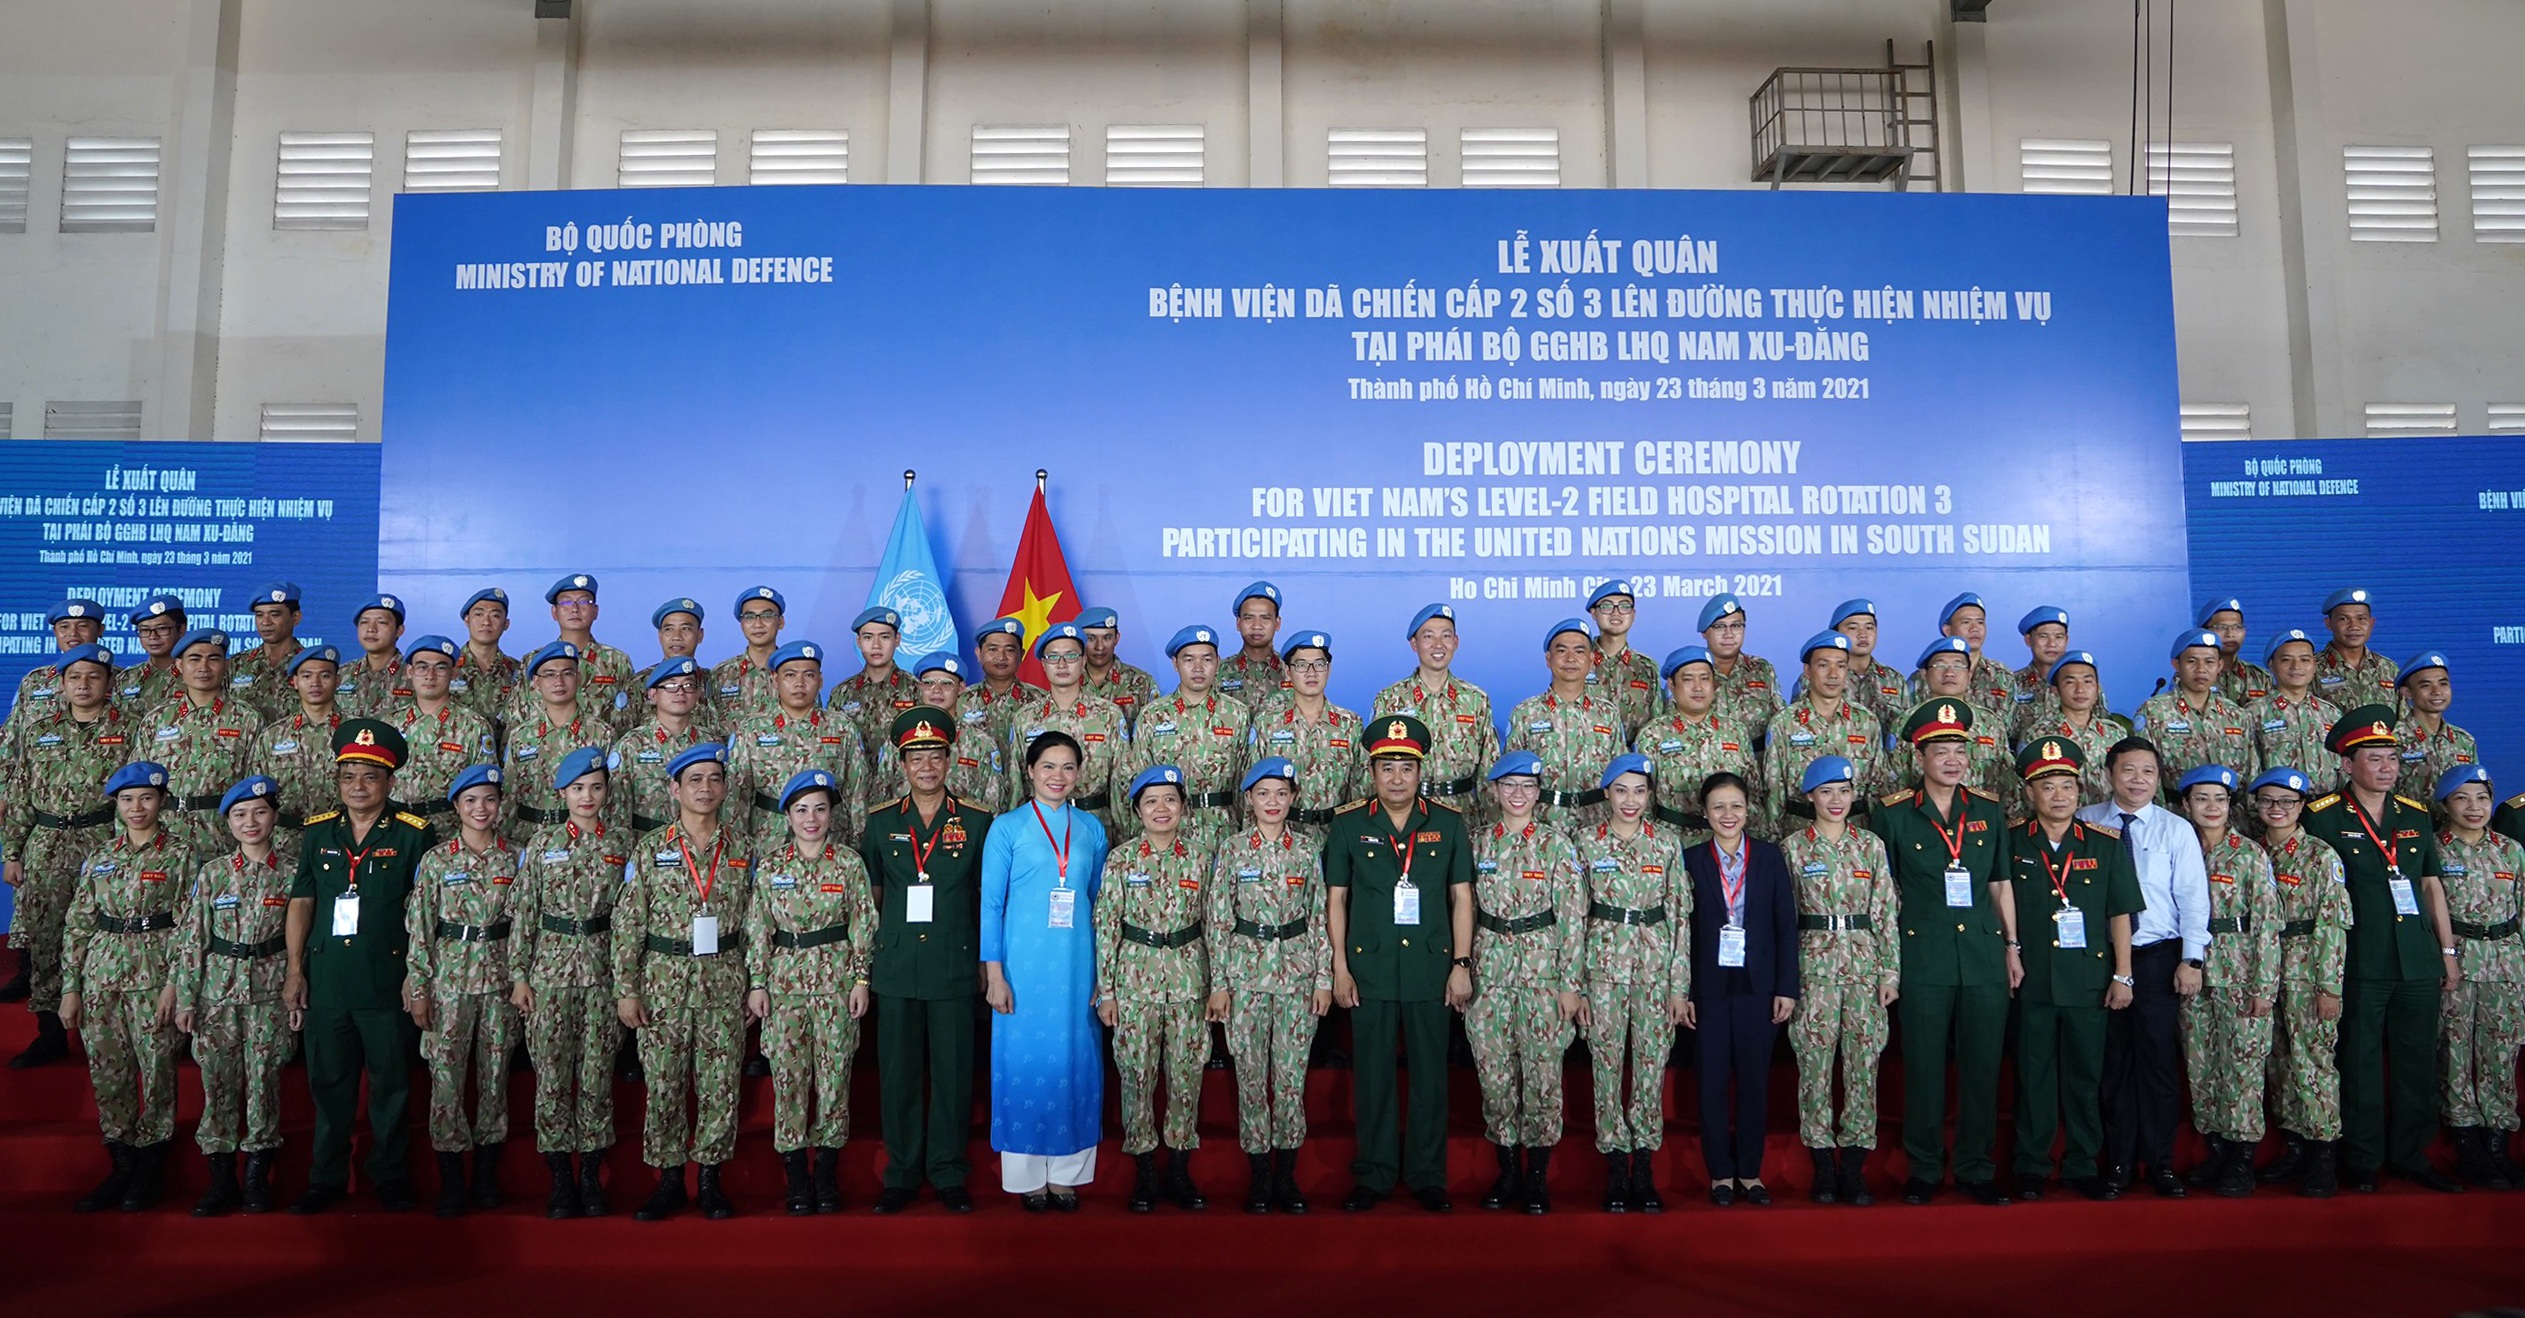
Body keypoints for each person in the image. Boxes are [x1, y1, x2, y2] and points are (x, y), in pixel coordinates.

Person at [283, 720, 440, 1214]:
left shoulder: (416, 834)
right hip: (328, 978)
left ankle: (390, 1174)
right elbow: (302, 901)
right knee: (330, 1086)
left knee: (391, 1086)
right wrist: (294, 968)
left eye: (370, 777)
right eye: (348, 776)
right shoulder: (317, 833)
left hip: (385, 979)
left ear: (390, 782)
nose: (358, 786)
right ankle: (326, 1178)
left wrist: (419, 977)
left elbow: (426, 911)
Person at [1869, 700, 2022, 1206]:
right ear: (1920, 756)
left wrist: (2012, 947)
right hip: (1923, 952)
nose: (1953, 760)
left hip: (1981, 953)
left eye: (1960, 749)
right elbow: (1882, 894)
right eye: (1941, 751)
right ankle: (1925, 1166)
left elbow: (2001, 883)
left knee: (1982, 1067)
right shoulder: (1891, 814)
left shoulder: (1988, 809)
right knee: (1924, 1067)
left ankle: (1977, 1167)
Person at [2305, 704, 2460, 1193]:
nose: (2388, 767)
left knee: (2416, 1060)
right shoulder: (2322, 817)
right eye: (2375, 758)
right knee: (2359, 1061)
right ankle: (2364, 1158)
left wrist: (2447, 952)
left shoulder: (2414, 815)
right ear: (2348, 765)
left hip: (2416, 956)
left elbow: (2431, 885)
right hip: (2359, 957)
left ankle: (2411, 1155)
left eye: (2392, 757)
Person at [1325, 714, 1475, 1213]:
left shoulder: (1448, 823)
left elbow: (1462, 897)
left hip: (1432, 967)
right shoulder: (1348, 825)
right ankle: (1374, 1172)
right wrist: (1341, 969)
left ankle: (1428, 1174)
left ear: (1419, 772)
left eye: (1405, 768)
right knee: (1373, 1076)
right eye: (1386, 767)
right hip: (1369, 967)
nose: (1396, 778)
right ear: (1372, 772)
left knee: (1431, 1075)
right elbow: (1336, 901)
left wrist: (1461, 963)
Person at [862, 706, 993, 1215]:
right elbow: (872, 898)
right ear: (901, 762)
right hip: (895, 966)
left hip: (953, 962)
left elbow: (986, 898)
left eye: (935, 754)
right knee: (898, 1074)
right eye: (915, 756)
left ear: (949, 758)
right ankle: (901, 1172)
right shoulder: (879, 823)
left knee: (954, 1073)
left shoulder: (979, 821)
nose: (926, 766)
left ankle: (947, 1170)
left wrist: (986, 961)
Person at [613, 743, 753, 1221]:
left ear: (726, 787)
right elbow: (629, 923)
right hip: (663, 984)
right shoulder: (650, 848)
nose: (705, 788)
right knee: (664, 1083)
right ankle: (669, 1179)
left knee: (720, 1086)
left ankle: (711, 1180)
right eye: (694, 780)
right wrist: (627, 989)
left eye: (715, 779)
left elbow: (757, 924)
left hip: (724, 980)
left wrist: (757, 984)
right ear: (674, 788)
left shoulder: (743, 850)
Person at [981, 730, 1112, 1211]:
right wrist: (994, 974)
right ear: (1030, 771)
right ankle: (1026, 1176)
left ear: (1079, 774)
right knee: (1023, 1064)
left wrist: (1106, 973)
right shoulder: (1007, 828)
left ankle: (1067, 1174)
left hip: (1077, 965)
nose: (1058, 776)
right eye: (1049, 767)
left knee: (1075, 1061)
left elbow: (1101, 905)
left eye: (1068, 767)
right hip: (1021, 966)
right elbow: (990, 905)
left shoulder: (1093, 830)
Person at [2075, 737, 2211, 1198]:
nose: (2138, 780)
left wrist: (2191, 959)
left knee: (2156, 1065)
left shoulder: (2175, 829)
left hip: (2156, 957)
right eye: (2129, 770)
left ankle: (2159, 1163)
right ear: (2109, 773)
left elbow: (2194, 899)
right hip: (2099, 959)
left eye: (2148, 772)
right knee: (2112, 1065)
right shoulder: (2085, 821)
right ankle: (2115, 1162)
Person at [2006, 738, 2141, 1202]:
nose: (2059, 795)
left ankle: (2083, 1163)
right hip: (2033, 979)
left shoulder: (2104, 843)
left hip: (2088, 980)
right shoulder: (2012, 841)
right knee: (2033, 1077)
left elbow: (2120, 912)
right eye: (2048, 786)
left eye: (2067, 785)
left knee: (2085, 1078)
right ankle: (2031, 1164)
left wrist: (2123, 975)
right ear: (2029, 793)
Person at [744, 767, 877, 1216]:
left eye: (820, 808)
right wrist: (757, 983)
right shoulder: (773, 866)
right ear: (787, 815)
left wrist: (861, 980)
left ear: (831, 814)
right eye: (801, 809)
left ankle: (826, 1171)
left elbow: (863, 925)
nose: (812, 818)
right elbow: (758, 928)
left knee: (834, 1077)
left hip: (837, 983)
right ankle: (796, 1173)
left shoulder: (848, 863)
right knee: (789, 1079)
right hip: (784, 986)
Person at [61, 761, 192, 1212]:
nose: (137, 808)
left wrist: (176, 984)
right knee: (108, 1072)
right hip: (102, 975)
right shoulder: (100, 857)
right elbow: (78, 925)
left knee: (157, 1070)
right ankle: (120, 1164)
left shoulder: (181, 854)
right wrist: (70, 989)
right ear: (116, 805)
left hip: (154, 975)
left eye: (146, 798)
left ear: (162, 802)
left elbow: (190, 927)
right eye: (127, 800)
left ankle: (150, 1166)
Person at [1460, 752, 1582, 1214]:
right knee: (1495, 1077)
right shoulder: (1477, 844)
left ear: (1538, 793)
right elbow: (1463, 909)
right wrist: (1463, 968)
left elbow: (1572, 918)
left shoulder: (1556, 846)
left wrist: (1571, 983)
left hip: (1543, 973)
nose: (1517, 794)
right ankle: (1507, 1168)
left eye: (1527, 786)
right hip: (1490, 972)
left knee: (1543, 1077)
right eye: (1508, 786)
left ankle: (1536, 1176)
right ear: (1493, 791)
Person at [1208, 756, 1330, 1213]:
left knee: (1291, 1078)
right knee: (1252, 1077)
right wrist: (1219, 983)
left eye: (1281, 793)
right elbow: (1218, 919)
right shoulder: (1234, 849)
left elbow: (1319, 917)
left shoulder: (1307, 849)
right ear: (1249, 800)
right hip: (1245, 977)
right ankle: (1259, 1174)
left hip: (1298, 974)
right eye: (1263, 794)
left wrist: (1323, 978)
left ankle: (1287, 1176)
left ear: (1294, 798)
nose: (1272, 802)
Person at [1, 640, 130, 1067]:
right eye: (74, 677)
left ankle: (108, 1034)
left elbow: (141, 798)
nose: (84, 684)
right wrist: (12, 851)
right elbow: (20, 796)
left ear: (109, 682)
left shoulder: (130, 730)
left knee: (107, 938)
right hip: (46, 844)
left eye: (94, 676)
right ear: (61, 684)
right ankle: (50, 1034)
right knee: (45, 940)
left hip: (104, 843)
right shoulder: (40, 732)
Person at [406, 763, 523, 1218]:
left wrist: (521, 980)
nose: (481, 809)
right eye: (471, 800)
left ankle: (487, 1174)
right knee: (447, 1082)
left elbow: (524, 924)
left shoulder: (517, 856)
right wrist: (419, 986)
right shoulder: (437, 860)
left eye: (490, 800)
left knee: (495, 1078)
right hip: (448, 983)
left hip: (499, 983)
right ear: (455, 806)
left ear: (501, 806)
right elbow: (419, 928)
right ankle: (452, 1179)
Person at [511, 745, 624, 1219]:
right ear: (562, 792)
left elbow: (630, 917)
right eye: (578, 788)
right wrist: (518, 975)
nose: (588, 796)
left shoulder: (622, 845)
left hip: (602, 970)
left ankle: (591, 1175)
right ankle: (560, 1178)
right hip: (550, 973)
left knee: (597, 1075)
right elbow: (524, 913)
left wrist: (627, 981)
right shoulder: (541, 844)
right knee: (553, 1076)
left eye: (596, 787)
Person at [173, 776, 293, 1215]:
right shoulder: (212, 873)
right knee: (218, 1084)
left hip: (270, 994)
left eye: (260, 812)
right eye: (240, 814)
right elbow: (193, 939)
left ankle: (258, 1178)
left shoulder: (293, 873)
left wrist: (297, 997)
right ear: (227, 823)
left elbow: (301, 943)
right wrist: (187, 997)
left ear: (275, 817)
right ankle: (220, 1180)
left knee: (264, 1084)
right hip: (217, 995)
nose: (251, 821)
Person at [1781, 755, 1897, 1207]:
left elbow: (1886, 911)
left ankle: (1853, 1165)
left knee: (1862, 1066)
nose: (1836, 800)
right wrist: (1786, 981)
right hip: (1813, 969)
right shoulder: (1793, 848)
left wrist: (1890, 973)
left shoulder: (1870, 846)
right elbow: (1783, 919)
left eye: (1844, 792)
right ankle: (1822, 1166)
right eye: (1826, 792)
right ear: (1810, 797)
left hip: (1864, 968)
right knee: (1813, 1067)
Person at [1575, 752, 1690, 1213]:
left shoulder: (1666, 844)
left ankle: (1644, 1167)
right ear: (1606, 794)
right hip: (1601, 971)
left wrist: (1678, 987)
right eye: (1620, 790)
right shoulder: (1584, 842)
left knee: (1649, 1070)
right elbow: (1572, 918)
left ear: (1650, 796)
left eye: (1639, 791)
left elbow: (1681, 917)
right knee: (1606, 1069)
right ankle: (1615, 1169)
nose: (1630, 800)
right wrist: (1577, 985)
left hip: (1654, 972)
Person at [1096, 765, 1214, 1211]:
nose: (1161, 809)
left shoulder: (1203, 857)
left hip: (1189, 981)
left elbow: (1216, 926)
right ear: (1136, 811)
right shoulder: (1121, 860)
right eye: (1151, 801)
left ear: (1183, 807)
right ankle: (1144, 1171)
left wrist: (1218, 985)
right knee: (1137, 1076)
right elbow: (1106, 925)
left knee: (1186, 1077)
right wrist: (1106, 991)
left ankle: (1179, 1172)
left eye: (1170, 800)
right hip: (1134, 983)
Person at [1682, 770, 1796, 1206]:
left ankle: (1750, 1170)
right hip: (1707, 987)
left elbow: (1785, 924)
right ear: (1705, 813)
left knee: (1754, 1080)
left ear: (1748, 810)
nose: (1727, 815)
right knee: (1710, 1081)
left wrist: (1787, 986)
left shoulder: (1769, 857)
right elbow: (1682, 929)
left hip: (1758, 985)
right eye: (1718, 807)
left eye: (1735, 806)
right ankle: (1720, 1174)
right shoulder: (1690, 859)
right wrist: (1683, 989)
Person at [2174, 764, 2281, 1197]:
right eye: (2201, 799)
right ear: (2185, 804)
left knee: (2243, 1066)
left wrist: (2264, 987)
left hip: (2239, 972)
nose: (2211, 807)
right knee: (2201, 1065)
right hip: (2189, 971)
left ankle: (2241, 1156)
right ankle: (2215, 1148)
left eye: (2220, 799)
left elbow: (2268, 923)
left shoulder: (2250, 854)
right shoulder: (2178, 848)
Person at [2249, 766, 2350, 1197]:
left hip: (2308, 970)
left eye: (2287, 802)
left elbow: (2332, 925)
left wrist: (2330, 987)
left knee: (2314, 1062)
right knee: (2278, 1063)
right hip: (2260, 970)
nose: (2277, 809)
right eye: (2268, 801)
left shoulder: (2319, 856)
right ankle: (2293, 1144)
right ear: (2255, 805)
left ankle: (2323, 1151)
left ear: (2302, 806)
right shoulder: (2249, 852)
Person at [2430, 764, 2525, 1189]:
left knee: (2500, 1053)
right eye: (2462, 798)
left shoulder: (2511, 850)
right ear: (2446, 804)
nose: (2474, 807)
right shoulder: (2434, 849)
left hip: (2506, 961)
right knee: (2453, 1051)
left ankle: (2497, 1142)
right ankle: (2467, 1142)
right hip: (2458, 960)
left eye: (2482, 798)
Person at [726, 640, 870, 852]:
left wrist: (860, 848)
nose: (800, 683)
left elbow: (857, 793)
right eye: (790, 675)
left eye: (809, 675)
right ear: (775, 679)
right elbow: (737, 797)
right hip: (769, 840)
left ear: (820, 680)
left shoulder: (841, 728)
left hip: (831, 842)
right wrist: (737, 850)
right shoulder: (752, 730)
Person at [1125, 625, 1252, 849]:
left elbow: (1246, 782)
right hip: (1168, 832)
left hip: (1224, 832)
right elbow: (1138, 780)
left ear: (1218, 662)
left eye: (1206, 659)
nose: (1198, 668)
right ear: (1175, 664)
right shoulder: (1153, 716)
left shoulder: (1236, 714)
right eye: (1188, 660)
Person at [1373, 605, 1499, 820]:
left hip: (1464, 815)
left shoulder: (1475, 699)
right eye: (1428, 636)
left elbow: (1489, 770)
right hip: (1407, 814)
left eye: (1446, 636)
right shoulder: (1390, 699)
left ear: (1456, 642)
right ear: (1414, 644)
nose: (1438, 645)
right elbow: (1377, 768)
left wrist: (1494, 824)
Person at [150, 628, 265, 858]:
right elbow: (135, 787)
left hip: (225, 840)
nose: (204, 667)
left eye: (213, 659)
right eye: (194, 659)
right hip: (165, 843)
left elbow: (258, 788)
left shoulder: (247, 719)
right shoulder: (157, 720)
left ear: (225, 665)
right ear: (179, 666)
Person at [1761, 631, 1887, 839]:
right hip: (1798, 835)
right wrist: (1773, 843)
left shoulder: (1866, 722)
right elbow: (1774, 790)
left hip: (1856, 838)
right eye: (1823, 665)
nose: (1833, 674)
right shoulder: (1785, 723)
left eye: (1840, 665)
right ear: (1807, 671)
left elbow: (1878, 787)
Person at [1005, 624, 1130, 834]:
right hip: (1039, 827)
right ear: (1043, 664)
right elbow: (1016, 783)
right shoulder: (1025, 719)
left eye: (1071, 656)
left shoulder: (1108, 715)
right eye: (1053, 657)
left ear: (1083, 662)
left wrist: (1125, 836)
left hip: (1096, 824)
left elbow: (1121, 782)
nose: (1062, 664)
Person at [1506, 617, 1626, 829]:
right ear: (1548, 659)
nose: (1570, 658)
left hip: (1598, 824)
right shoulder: (1526, 713)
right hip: (1543, 825)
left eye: (1579, 651)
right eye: (1562, 651)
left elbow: (1621, 775)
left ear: (1591, 661)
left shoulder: (1607, 714)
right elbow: (1510, 778)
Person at [1637, 645, 1763, 845]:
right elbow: (1643, 804)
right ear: (1671, 685)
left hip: (1728, 844)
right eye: (1688, 679)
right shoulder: (1653, 735)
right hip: (1674, 843)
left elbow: (1753, 795)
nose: (1698, 687)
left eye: (1705, 679)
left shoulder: (1734, 731)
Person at [1248, 630, 1362, 839]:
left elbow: (1360, 790)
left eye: (1319, 664)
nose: (1311, 673)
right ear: (1289, 672)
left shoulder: (1350, 725)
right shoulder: (1268, 723)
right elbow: (1252, 787)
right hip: (1284, 837)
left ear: (1329, 669)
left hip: (1336, 836)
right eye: (1301, 665)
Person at [499, 641, 615, 845]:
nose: (559, 681)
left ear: (578, 678)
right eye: (550, 674)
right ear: (536, 682)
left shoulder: (602, 734)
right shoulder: (521, 736)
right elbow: (509, 797)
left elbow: (611, 799)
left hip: (583, 838)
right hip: (527, 837)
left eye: (567, 673)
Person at [868, 651, 1004, 808]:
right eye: (928, 683)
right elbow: (880, 801)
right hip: (907, 830)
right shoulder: (898, 742)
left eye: (946, 683)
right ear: (919, 687)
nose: (936, 690)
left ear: (960, 688)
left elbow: (993, 806)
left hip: (964, 831)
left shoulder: (981, 744)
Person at [389, 635, 499, 824]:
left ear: (454, 673)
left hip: (449, 827)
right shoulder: (390, 724)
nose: (430, 676)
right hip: (397, 827)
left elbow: (485, 788)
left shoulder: (473, 726)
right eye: (422, 667)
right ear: (409, 671)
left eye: (440, 667)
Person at [246, 643, 344, 854]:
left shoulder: (354, 733)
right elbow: (256, 794)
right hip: (284, 843)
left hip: (342, 838)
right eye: (307, 676)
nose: (315, 683)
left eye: (325, 676)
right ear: (295, 682)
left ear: (338, 680)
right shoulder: (273, 736)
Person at [2136, 631, 2259, 792]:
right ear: (2176, 664)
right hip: (2176, 813)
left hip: (2232, 812)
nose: (2201, 669)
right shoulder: (2154, 711)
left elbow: (2252, 772)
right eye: (2192, 661)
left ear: (2219, 666)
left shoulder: (2236, 715)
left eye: (2209, 662)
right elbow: (2146, 772)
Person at [607, 656, 716, 836]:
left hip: (698, 845)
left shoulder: (710, 743)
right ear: (652, 695)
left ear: (698, 694)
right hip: (645, 846)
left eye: (688, 685)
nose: (680, 692)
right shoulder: (631, 746)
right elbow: (616, 812)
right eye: (671, 686)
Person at [1907, 638, 2013, 804]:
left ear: (1969, 674)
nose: (1949, 672)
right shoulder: (1907, 722)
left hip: (1982, 821)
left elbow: (2008, 782)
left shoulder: (1991, 722)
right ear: (1924, 674)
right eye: (1940, 665)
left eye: (1958, 665)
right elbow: (1895, 782)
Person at [2248, 629, 2341, 797]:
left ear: (2314, 666)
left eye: (2304, 660)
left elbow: (2344, 768)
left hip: (2327, 808)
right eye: (2286, 660)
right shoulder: (2254, 713)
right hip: (2279, 809)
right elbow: (2249, 772)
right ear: (2271, 665)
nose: (2296, 666)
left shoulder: (2330, 713)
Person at [829, 606, 920, 765]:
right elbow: (833, 747)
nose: (876, 645)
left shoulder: (916, 689)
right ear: (858, 641)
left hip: (901, 785)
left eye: (884, 637)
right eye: (868, 637)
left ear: (897, 640)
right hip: (854, 785)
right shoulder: (842, 693)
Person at [2023, 651, 2117, 802]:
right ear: (2056, 690)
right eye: (2070, 682)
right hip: (2062, 822)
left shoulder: (2115, 734)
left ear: (2097, 688)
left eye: (2087, 682)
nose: (2080, 689)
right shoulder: (2039, 734)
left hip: (2108, 821)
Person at [2396, 652, 2479, 816]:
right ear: (2407, 692)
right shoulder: (2392, 738)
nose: (2437, 691)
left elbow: (2476, 788)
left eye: (2443, 684)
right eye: (2426, 685)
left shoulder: (2463, 740)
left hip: (2452, 835)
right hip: (2409, 833)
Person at [7, 598, 107, 731]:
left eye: (83, 626)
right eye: (64, 627)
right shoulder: (35, 681)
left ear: (100, 630)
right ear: (55, 632)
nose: (73, 634)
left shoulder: (121, 680)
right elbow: (12, 734)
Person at [1908, 593, 2014, 719]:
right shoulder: (1922, 678)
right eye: (1966, 622)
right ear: (1948, 630)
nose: (1975, 629)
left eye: (1980, 622)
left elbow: (2012, 731)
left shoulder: (2002, 676)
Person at [1699, 594, 1782, 741]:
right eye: (1720, 627)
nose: (1729, 634)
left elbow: (1780, 722)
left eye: (1736, 626)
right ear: (1704, 633)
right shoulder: (1693, 670)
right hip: (1706, 760)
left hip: (1757, 760)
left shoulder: (1762, 670)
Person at [1584, 579, 1659, 738]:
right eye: (1607, 606)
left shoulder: (1646, 668)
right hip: (1587, 757)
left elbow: (1658, 725)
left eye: (1625, 606)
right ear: (1593, 613)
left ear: (1633, 614)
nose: (1616, 612)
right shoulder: (1579, 661)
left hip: (1634, 758)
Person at [1830, 599, 1912, 735]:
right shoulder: (1820, 676)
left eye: (1869, 627)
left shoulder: (1894, 680)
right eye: (1853, 628)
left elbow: (1906, 731)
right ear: (1836, 633)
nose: (1862, 635)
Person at [707, 586, 788, 724]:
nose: (758, 624)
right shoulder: (721, 675)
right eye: (749, 617)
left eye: (767, 616)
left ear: (780, 622)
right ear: (742, 624)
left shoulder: (794, 672)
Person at [639, 598, 719, 734]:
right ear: (660, 636)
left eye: (686, 628)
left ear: (700, 635)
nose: (677, 637)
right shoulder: (640, 683)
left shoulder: (715, 681)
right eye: (669, 629)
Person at [229, 583, 308, 719]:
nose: (265, 622)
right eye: (259, 615)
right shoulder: (237, 664)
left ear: (295, 618)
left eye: (274, 614)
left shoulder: (310, 665)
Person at [962, 615, 1041, 751]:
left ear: (1021, 655)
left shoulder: (1040, 700)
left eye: (1009, 650)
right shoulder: (961, 702)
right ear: (978, 654)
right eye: (993, 649)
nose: (1001, 657)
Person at [451, 587, 522, 733]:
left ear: (506, 624)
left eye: (495, 616)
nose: (486, 622)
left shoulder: (518, 671)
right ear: (467, 620)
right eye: (479, 614)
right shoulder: (446, 667)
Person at [2314, 587, 2397, 711]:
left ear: (2371, 623)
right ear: (2329, 624)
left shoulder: (2388, 668)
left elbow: (2403, 720)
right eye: (2343, 619)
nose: (2354, 626)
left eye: (2361, 619)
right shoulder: (2312, 669)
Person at [1078, 605, 1161, 727]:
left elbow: (1152, 734)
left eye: (1107, 637)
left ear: (1117, 638)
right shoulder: (1070, 681)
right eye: (1091, 638)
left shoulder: (1140, 683)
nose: (1099, 647)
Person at [335, 594, 411, 717]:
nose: (371, 629)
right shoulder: (341, 675)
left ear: (399, 630)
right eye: (364, 622)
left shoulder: (414, 676)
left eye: (381, 622)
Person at [1220, 581, 1290, 712]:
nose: (1257, 626)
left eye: (1265, 618)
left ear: (1277, 623)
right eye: (1249, 618)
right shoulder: (1218, 673)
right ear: (1238, 623)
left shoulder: (1292, 672)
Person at [114, 593, 187, 716]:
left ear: (181, 629)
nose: (153, 637)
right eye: (145, 630)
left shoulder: (196, 674)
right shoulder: (126, 679)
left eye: (162, 628)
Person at [2198, 598, 2275, 707]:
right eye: (2221, 627)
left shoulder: (2260, 677)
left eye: (2237, 627)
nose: (2230, 634)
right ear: (2204, 631)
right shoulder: (2195, 675)